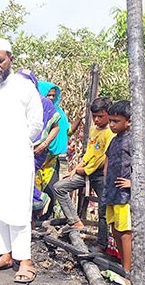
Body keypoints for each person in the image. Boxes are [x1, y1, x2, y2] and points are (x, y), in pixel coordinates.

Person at [0, 38, 44, 283]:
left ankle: (24, 259)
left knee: (17, 207)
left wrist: (14, 144)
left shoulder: (24, 87)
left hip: (16, 157)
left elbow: (36, 123)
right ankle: (4, 254)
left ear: (10, 59)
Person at [54, 97, 113, 252]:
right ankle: (75, 221)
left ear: (109, 114)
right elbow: (90, 152)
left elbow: (103, 158)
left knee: (103, 210)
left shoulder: (110, 133)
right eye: (94, 116)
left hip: (101, 174)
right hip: (87, 170)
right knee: (60, 187)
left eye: (101, 116)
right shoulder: (94, 129)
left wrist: (85, 170)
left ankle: (102, 244)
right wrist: (77, 168)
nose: (97, 119)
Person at [16, 70, 59, 213]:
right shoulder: (14, 103)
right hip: (17, 148)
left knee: (23, 180)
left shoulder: (44, 103)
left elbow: (55, 127)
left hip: (37, 149)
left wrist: (44, 144)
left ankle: (39, 200)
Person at [103, 100, 133, 271]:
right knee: (115, 230)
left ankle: (128, 271)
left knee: (125, 233)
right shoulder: (115, 140)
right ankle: (123, 265)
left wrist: (134, 182)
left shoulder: (134, 141)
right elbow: (108, 157)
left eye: (116, 121)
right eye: (111, 121)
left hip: (124, 194)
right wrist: (107, 176)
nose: (112, 125)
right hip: (112, 192)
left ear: (128, 121)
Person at [35, 80, 70, 219]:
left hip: (52, 156)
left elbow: (67, 131)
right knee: (36, 186)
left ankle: (48, 218)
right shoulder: (37, 112)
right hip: (38, 155)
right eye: (48, 95)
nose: (51, 98)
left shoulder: (59, 112)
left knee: (52, 187)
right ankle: (34, 218)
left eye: (53, 95)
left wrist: (79, 119)